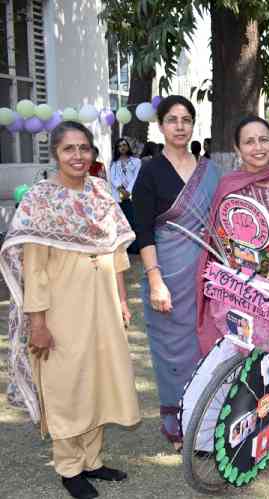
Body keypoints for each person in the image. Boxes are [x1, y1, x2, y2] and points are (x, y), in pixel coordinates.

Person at [0, 121, 140, 499]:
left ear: (93, 153)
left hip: (104, 308)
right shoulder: (40, 200)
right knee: (67, 386)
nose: (78, 156)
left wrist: (123, 301)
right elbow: (34, 269)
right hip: (61, 310)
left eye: (84, 148)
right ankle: (69, 467)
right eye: (69, 149)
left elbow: (118, 253)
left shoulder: (99, 193)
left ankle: (93, 461)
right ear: (56, 154)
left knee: (99, 381)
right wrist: (38, 323)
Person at [132, 95, 220, 449]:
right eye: (172, 120)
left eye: (186, 119)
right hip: (167, 270)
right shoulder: (150, 170)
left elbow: (221, 223)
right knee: (172, 347)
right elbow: (144, 230)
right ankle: (177, 420)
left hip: (208, 271)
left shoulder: (210, 171)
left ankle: (207, 417)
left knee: (209, 343)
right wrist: (155, 280)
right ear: (161, 125)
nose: (180, 126)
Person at [195, 116, 269, 354]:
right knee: (248, 366)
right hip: (244, 292)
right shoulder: (229, 185)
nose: (258, 147)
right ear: (237, 148)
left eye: (264, 140)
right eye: (249, 142)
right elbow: (225, 243)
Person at [109, 138, 141, 253]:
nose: (122, 147)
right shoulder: (114, 163)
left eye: (124, 145)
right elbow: (113, 178)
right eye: (119, 146)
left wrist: (128, 191)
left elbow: (136, 177)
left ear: (128, 146)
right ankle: (123, 248)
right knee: (121, 223)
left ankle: (135, 248)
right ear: (117, 149)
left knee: (133, 222)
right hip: (119, 197)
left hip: (132, 196)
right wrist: (122, 191)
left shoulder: (136, 161)